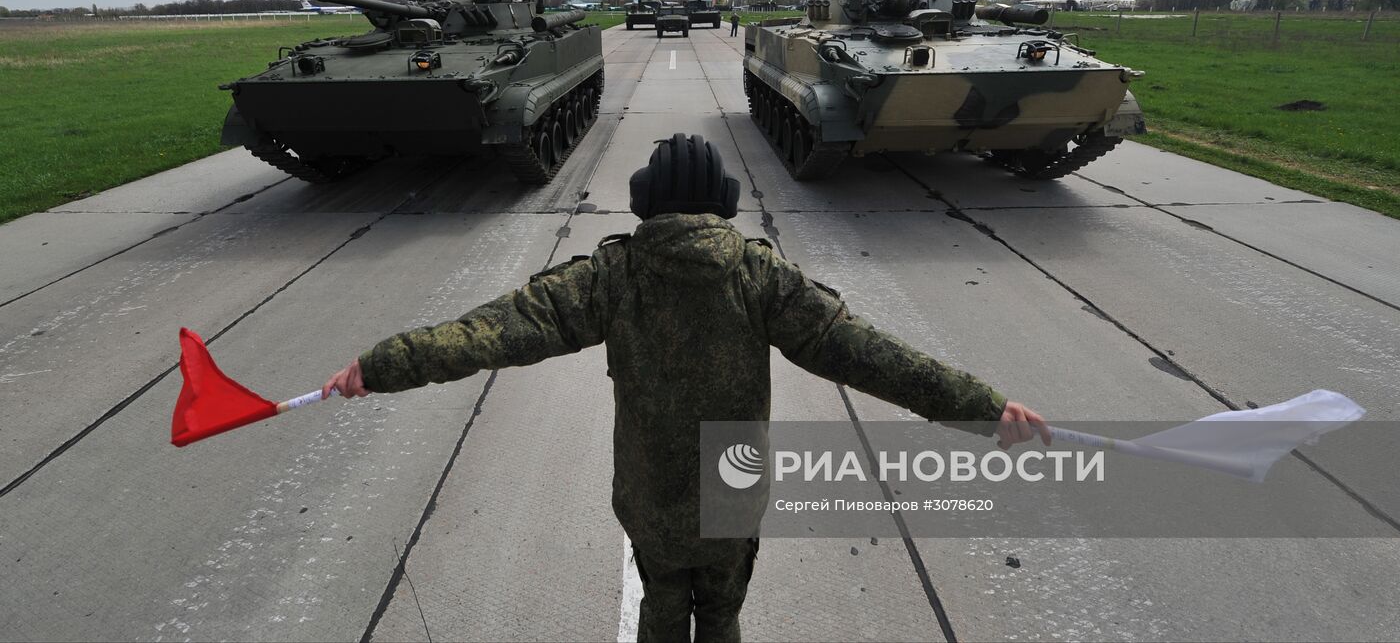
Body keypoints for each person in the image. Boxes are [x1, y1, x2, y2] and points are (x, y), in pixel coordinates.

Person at [324, 134, 1049, 642]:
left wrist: (383, 364)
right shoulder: (761, 275)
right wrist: (982, 407)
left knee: (661, 606)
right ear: (721, 202)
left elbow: (496, 329)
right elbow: (868, 353)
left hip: (652, 499)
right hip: (731, 498)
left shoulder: (612, 275)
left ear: (648, 203)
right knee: (724, 613)